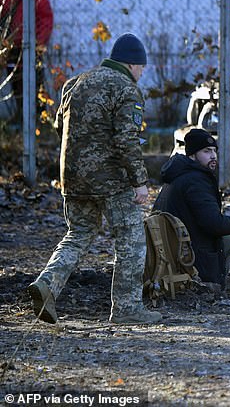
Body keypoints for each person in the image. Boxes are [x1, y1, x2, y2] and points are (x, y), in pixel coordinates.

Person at [27, 33, 161, 325]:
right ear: (132, 63)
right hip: (111, 181)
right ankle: (127, 309)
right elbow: (126, 139)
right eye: (141, 67)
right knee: (130, 240)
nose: (141, 73)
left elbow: (60, 127)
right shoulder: (126, 88)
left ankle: (47, 284)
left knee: (78, 236)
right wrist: (140, 182)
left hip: (72, 178)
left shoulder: (75, 82)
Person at [153, 128, 230, 288]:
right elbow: (214, 224)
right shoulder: (196, 180)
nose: (213, 156)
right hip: (188, 255)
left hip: (171, 250)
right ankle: (210, 285)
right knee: (226, 241)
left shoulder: (178, 174)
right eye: (206, 151)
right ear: (192, 155)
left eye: (214, 151)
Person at [0, 0, 54, 119]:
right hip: (13, 51)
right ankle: (21, 118)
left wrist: (38, 43)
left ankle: (37, 119)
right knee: (17, 86)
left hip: (33, 50)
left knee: (36, 84)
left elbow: (46, 21)